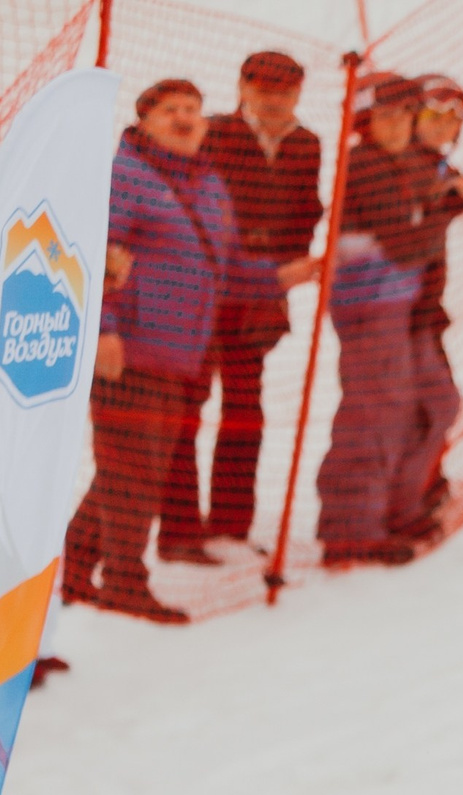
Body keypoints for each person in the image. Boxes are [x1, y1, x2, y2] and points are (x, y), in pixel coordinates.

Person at [66, 80, 317, 623]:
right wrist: (104, 329)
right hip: (128, 349)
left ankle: (70, 570)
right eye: (170, 110)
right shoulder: (124, 176)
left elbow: (223, 268)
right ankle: (124, 583)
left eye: (193, 111)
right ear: (144, 121)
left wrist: (279, 276)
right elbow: (90, 253)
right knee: (134, 470)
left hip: (179, 353)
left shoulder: (207, 183)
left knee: (129, 469)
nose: (185, 119)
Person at [154, 50, 323, 562]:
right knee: (185, 408)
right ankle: (180, 531)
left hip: (258, 295)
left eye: (286, 90)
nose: (275, 99)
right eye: (265, 88)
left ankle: (229, 524)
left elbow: (305, 211)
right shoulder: (215, 133)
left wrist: (284, 271)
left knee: (245, 406)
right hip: (203, 292)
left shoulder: (305, 144)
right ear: (243, 87)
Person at [315, 75, 463, 565]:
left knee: (436, 401)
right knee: (377, 411)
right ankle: (351, 526)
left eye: (405, 115)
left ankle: (401, 504)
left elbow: (420, 230)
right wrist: (448, 205)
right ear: (366, 122)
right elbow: (405, 243)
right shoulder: (363, 165)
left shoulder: (406, 162)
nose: (398, 125)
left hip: (405, 304)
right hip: (368, 305)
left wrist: (441, 205)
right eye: (386, 116)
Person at [392, 74, 463, 543]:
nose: (444, 126)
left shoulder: (436, 164)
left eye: (453, 119)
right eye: (434, 116)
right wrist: (448, 202)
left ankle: (425, 481)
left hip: (425, 305)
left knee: (432, 402)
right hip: (400, 309)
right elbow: (411, 221)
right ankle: (407, 495)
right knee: (427, 403)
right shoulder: (406, 164)